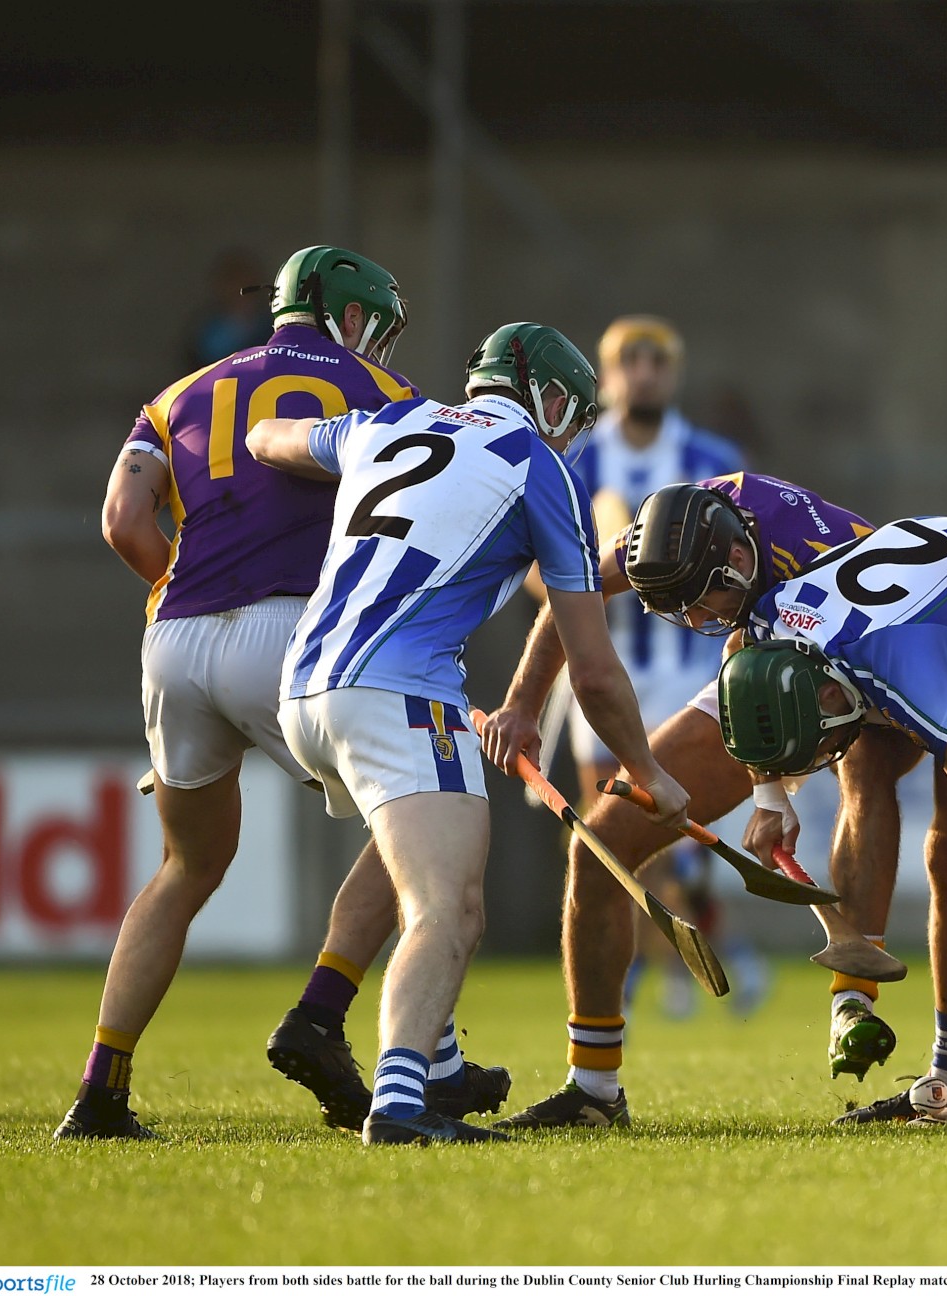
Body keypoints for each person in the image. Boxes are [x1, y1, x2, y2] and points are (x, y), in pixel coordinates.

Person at [249, 322, 689, 1145]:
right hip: (396, 692)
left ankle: (428, 1057)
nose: (573, 431)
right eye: (572, 413)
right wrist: (646, 771)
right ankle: (403, 1104)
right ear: (551, 397)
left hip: (302, 688)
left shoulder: (387, 421)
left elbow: (268, 437)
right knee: (449, 908)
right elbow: (592, 668)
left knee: (407, 861)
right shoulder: (539, 467)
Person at [58, 246, 417, 1141]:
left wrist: (182, 592)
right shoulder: (385, 390)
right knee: (421, 823)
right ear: (346, 313)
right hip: (292, 630)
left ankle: (101, 1089)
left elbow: (121, 521)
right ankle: (328, 1021)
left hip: (174, 639)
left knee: (185, 868)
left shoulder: (177, 393)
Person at [477, 476, 922, 1130]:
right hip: (763, 668)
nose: (694, 623)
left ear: (739, 560)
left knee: (871, 779)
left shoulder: (807, 557)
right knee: (600, 846)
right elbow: (577, 592)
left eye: (697, 604)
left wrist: (772, 789)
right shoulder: (668, 538)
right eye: (677, 609)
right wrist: (521, 704)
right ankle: (594, 1089)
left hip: (871, 652)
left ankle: (871, 1012)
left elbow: (763, 648)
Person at [713, 517, 947, 1126]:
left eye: (818, 749)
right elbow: (737, 653)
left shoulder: (902, 670)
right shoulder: (767, 622)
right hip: (927, 625)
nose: (820, 765)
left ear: (828, 700)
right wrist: (768, 796)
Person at [554, 318, 752, 1024]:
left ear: (675, 374)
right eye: (628, 361)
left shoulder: (711, 456)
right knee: (605, 826)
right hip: (602, 662)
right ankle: (656, 960)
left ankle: (650, 970)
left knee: (653, 817)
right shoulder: (574, 459)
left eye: (657, 361)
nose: (643, 373)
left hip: (688, 662)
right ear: (606, 375)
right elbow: (535, 562)